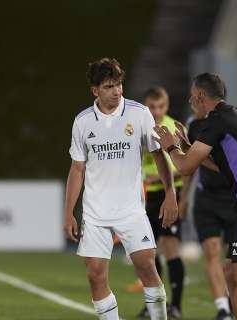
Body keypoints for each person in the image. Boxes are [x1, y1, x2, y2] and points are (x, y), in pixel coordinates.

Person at [154, 72, 237, 320]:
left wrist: (169, 145)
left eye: (193, 98)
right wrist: (188, 149)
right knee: (231, 271)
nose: (192, 103)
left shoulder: (216, 120)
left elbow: (184, 168)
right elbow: (221, 166)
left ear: (202, 97)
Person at [64, 57, 178, 320]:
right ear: (95, 91)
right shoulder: (82, 122)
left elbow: (159, 155)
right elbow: (77, 168)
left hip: (131, 210)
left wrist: (170, 193)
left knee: (148, 268)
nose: (116, 91)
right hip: (95, 213)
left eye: (118, 84)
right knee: (95, 275)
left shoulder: (139, 114)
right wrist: (69, 211)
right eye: (108, 86)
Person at [132, 86, 187, 320]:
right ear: (146, 106)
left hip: (169, 193)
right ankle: (153, 304)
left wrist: (159, 179)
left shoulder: (172, 127)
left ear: (166, 106)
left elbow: (185, 165)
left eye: (160, 106)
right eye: (152, 107)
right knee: (147, 251)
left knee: (170, 247)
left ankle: (176, 305)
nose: (156, 111)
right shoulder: (137, 126)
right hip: (145, 197)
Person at [181, 99, 236, 320]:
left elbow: (225, 164)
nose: (191, 101)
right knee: (212, 251)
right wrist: (184, 198)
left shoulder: (232, 123)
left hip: (233, 198)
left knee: (234, 260)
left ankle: (235, 303)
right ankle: (223, 307)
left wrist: (191, 153)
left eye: (195, 96)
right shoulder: (194, 126)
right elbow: (190, 166)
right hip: (206, 199)